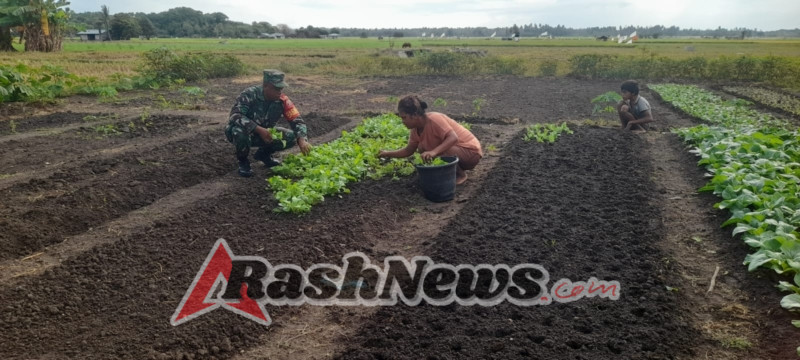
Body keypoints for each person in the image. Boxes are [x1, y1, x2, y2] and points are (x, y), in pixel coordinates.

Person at [225, 69, 312, 177]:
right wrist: (259, 129)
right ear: (266, 86)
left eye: (281, 88)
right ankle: (243, 162)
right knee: (240, 131)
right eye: (276, 88)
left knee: (291, 137)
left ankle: (264, 155)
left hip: (266, 133)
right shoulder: (249, 94)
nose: (279, 92)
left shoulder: (283, 100)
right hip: (241, 132)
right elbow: (235, 116)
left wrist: (302, 139)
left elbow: (297, 120)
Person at [379, 95, 483, 185]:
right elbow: (408, 151)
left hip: (470, 152)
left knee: (433, 148)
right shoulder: (415, 130)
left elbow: (453, 138)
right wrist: (386, 153)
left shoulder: (434, 119)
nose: (403, 121)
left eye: (404, 117)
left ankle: (460, 175)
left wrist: (434, 152)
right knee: (422, 148)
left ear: (415, 115)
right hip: (457, 155)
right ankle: (447, 172)